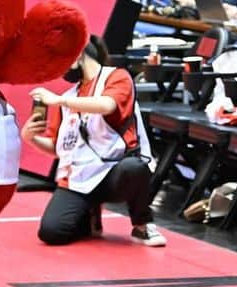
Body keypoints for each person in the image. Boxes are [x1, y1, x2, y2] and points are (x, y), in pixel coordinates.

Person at [22, 36, 165, 247]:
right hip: (79, 177)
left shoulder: (117, 77)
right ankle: (88, 216)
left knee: (135, 167)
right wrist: (30, 137)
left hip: (114, 172)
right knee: (51, 233)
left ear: (77, 56)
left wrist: (60, 101)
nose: (59, 70)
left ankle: (142, 224)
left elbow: (107, 105)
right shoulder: (69, 96)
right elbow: (57, 148)